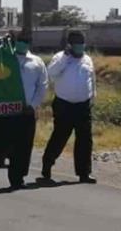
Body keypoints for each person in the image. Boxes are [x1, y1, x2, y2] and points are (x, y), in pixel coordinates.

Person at [0, 32, 48, 188]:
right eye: (20, 41)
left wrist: (32, 105)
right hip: (4, 110)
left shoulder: (37, 62)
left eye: (26, 41)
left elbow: (42, 85)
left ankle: (17, 179)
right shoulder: (3, 59)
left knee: (23, 147)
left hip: (26, 112)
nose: (22, 44)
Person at [41, 31, 96, 184]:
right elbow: (51, 74)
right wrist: (65, 57)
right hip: (64, 105)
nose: (80, 46)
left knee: (85, 139)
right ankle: (47, 164)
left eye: (82, 43)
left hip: (83, 105)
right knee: (60, 136)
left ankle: (84, 173)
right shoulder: (60, 58)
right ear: (70, 45)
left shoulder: (87, 59)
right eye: (77, 44)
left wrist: (93, 97)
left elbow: (92, 79)